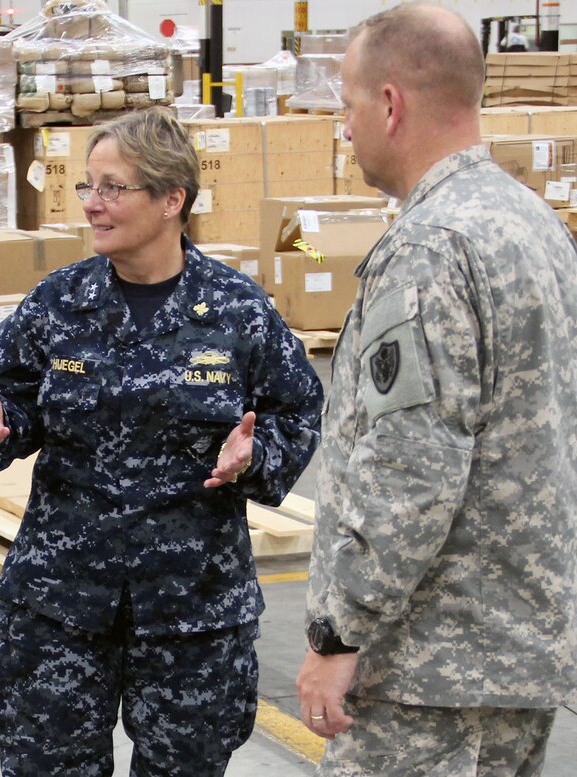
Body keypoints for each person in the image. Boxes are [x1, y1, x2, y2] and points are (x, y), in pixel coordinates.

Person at [0, 108, 323, 776]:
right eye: (88, 187)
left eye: (112, 187)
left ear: (171, 198)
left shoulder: (237, 310)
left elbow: (297, 411)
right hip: (60, 606)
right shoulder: (57, 304)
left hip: (192, 615)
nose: (92, 204)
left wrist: (255, 457)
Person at [296, 5, 577, 774]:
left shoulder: (427, 248)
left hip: (426, 673)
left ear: (390, 105)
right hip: (517, 654)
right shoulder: (533, 223)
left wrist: (339, 632)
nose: (344, 128)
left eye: (348, 105)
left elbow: (412, 468)